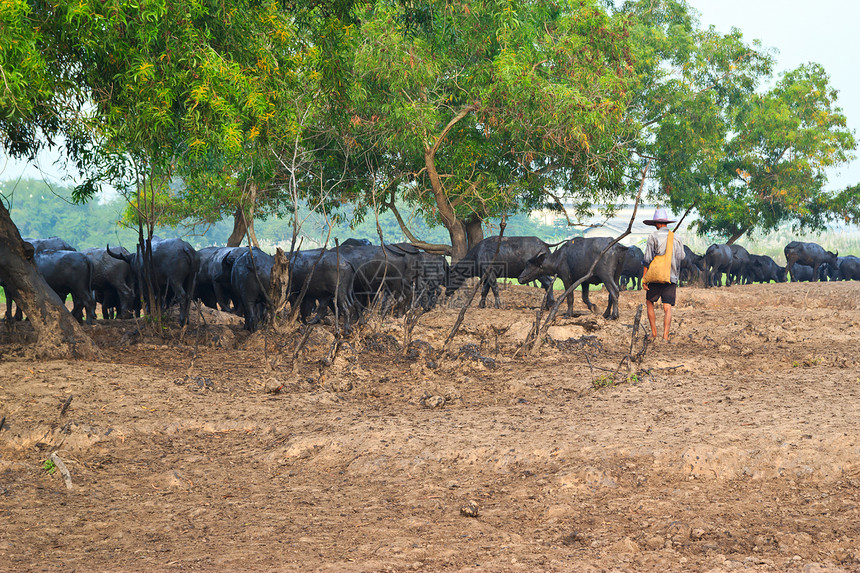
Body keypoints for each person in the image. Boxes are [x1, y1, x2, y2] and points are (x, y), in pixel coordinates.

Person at [642, 208, 685, 342]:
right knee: (667, 307)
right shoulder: (676, 237)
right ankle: (665, 336)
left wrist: (644, 279)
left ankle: (654, 333)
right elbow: (682, 257)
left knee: (649, 302)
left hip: (655, 277)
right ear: (665, 223)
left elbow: (647, 259)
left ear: (657, 224)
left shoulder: (653, 236)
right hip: (671, 277)